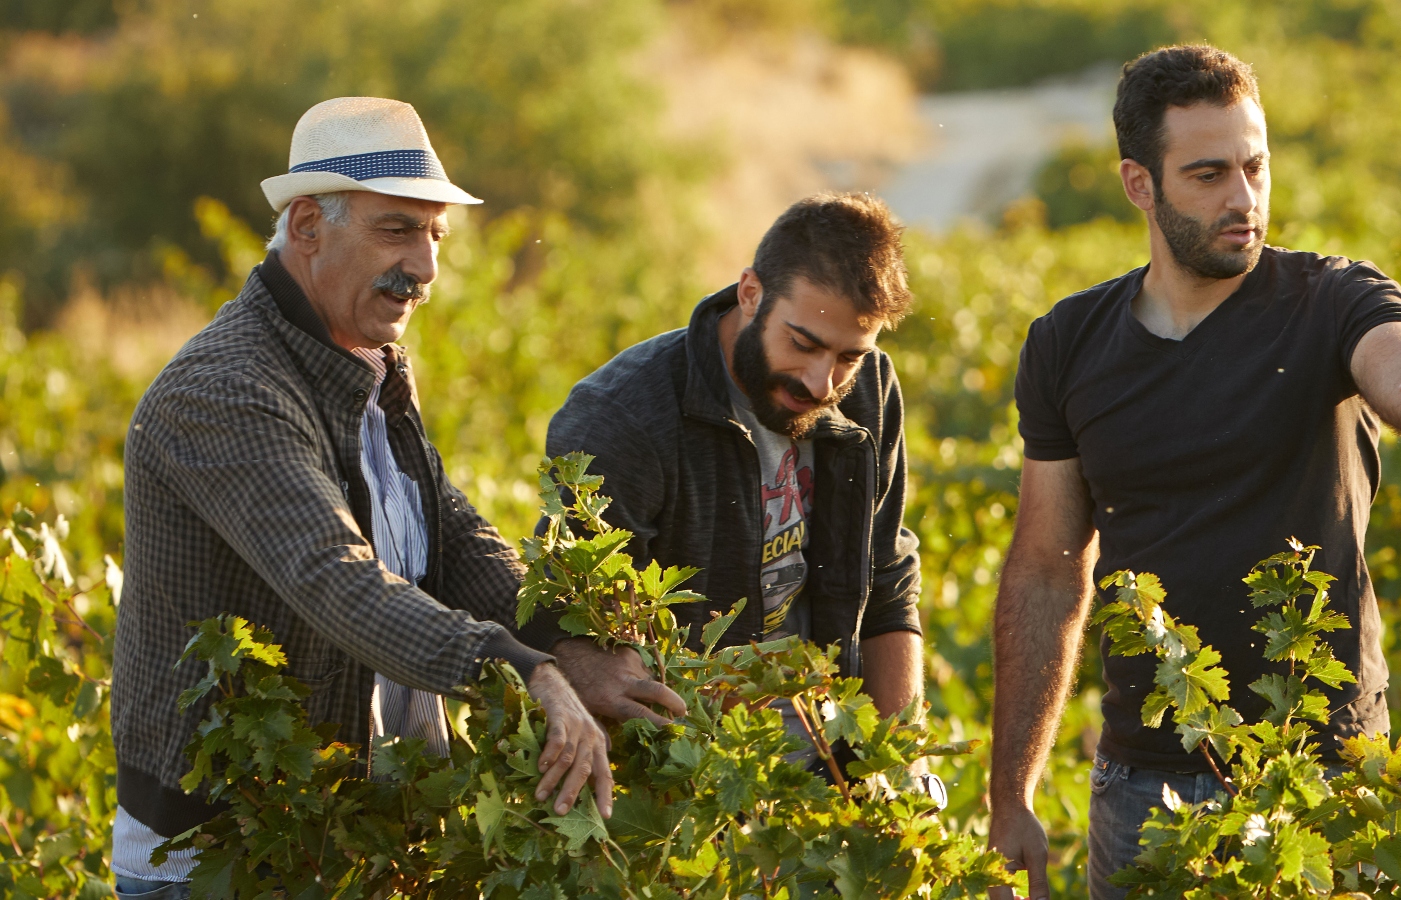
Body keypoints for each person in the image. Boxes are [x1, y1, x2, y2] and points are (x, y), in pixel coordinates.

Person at [985, 46, 1401, 899]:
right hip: (1140, 790)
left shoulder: (1330, 301)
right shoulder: (1068, 344)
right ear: (1138, 185)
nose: (1243, 197)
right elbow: (1045, 571)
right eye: (1208, 174)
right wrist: (1012, 797)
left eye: (1255, 166)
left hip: (1325, 785)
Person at [111, 97, 611, 899]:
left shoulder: (366, 366)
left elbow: (447, 534)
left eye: (435, 236)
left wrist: (562, 643)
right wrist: (517, 671)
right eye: (397, 230)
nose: (426, 266)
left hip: (356, 842)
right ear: (306, 225)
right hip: (225, 860)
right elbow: (333, 578)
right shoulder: (226, 389)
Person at [534, 192, 925, 749]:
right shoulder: (623, 416)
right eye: (803, 344)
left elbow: (886, 580)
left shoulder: (870, 390)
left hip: (833, 762)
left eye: (848, 356)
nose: (822, 383)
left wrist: (896, 763)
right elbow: (577, 625)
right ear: (750, 293)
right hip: (693, 764)